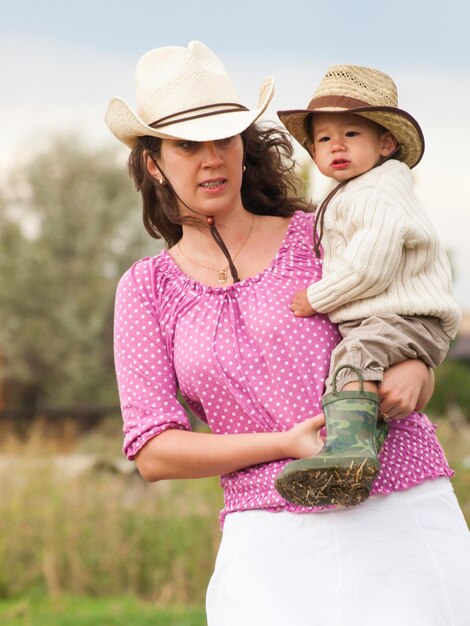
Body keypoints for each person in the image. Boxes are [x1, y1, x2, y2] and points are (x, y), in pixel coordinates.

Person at [105, 42, 470, 626]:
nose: (210, 160)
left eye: (223, 138)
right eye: (186, 145)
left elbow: (413, 300)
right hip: (267, 542)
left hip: (398, 507)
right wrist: (282, 446)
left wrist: (418, 367)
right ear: (153, 162)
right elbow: (153, 450)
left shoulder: (319, 234)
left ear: (243, 146)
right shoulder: (146, 289)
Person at [275, 64, 462, 507]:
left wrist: (316, 298)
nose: (336, 145)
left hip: (405, 317)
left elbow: (370, 268)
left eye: (352, 134)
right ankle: (363, 445)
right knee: (359, 362)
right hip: (393, 318)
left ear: (385, 143)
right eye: (323, 139)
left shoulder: (380, 193)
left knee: (355, 358)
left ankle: (348, 451)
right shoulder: (355, 190)